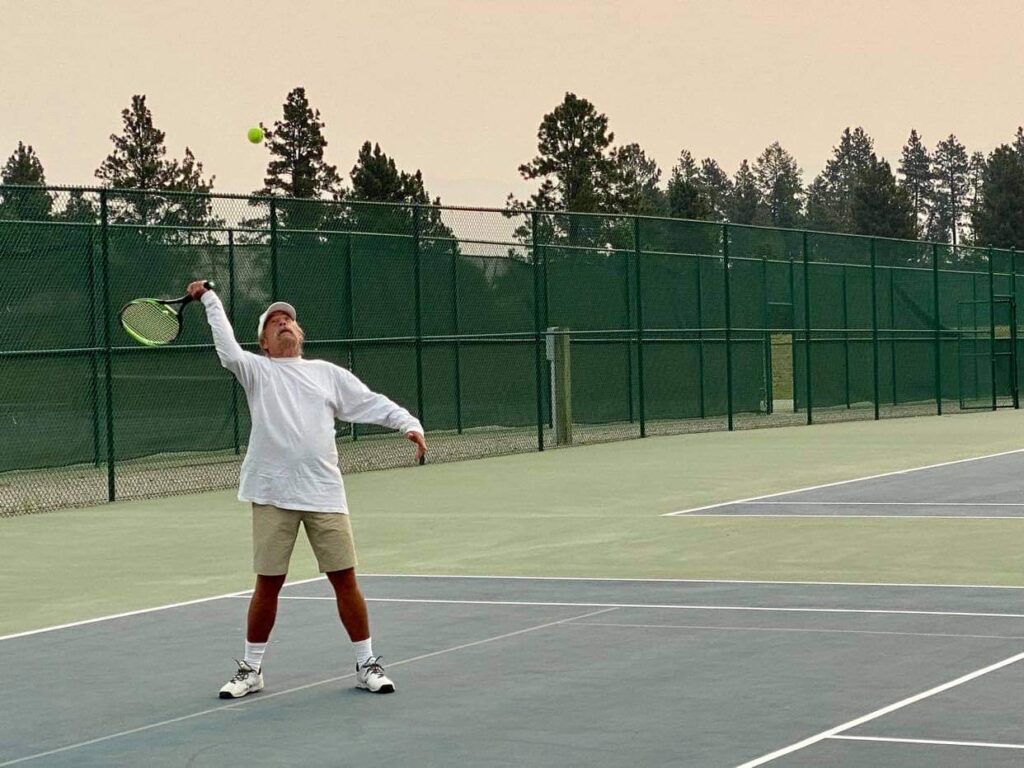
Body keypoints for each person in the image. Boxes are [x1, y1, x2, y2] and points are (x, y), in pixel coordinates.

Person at [186, 280, 427, 699]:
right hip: (272, 493)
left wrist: (408, 423)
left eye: (290, 321)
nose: (284, 325)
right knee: (268, 583)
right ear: (263, 343)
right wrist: (209, 298)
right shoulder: (256, 370)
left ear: (300, 335)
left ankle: (366, 663)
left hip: (324, 494)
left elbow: (371, 402)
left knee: (344, 579)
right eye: (275, 322)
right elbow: (226, 347)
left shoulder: (326, 374)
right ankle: (251, 669)